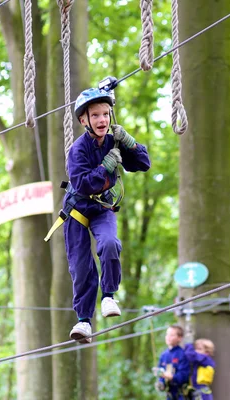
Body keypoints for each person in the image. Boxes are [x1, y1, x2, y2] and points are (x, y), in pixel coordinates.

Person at [63, 87, 151, 343]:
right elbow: (82, 184)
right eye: (96, 116)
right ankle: (84, 321)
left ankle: (109, 295)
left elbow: (142, 164)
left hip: (102, 207)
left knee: (110, 243)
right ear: (84, 121)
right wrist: (106, 167)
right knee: (82, 268)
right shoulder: (78, 150)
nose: (102, 120)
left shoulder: (114, 140)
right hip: (77, 210)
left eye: (105, 114)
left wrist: (131, 143)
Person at [155, 325, 190, 399]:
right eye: (167, 334)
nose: (168, 337)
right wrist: (161, 383)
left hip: (181, 395)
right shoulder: (164, 355)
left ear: (179, 338)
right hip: (169, 395)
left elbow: (184, 376)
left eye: (171, 335)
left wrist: (170, 376)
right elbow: (160, 373)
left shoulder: (182, 354)